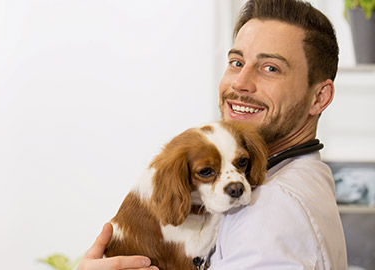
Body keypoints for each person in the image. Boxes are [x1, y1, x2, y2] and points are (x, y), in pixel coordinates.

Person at [78, 0, 347, 269]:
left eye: (270, 68)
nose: (240, 83)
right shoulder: (304, 173)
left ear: (319, 97)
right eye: (236, 62)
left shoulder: (269, 209)